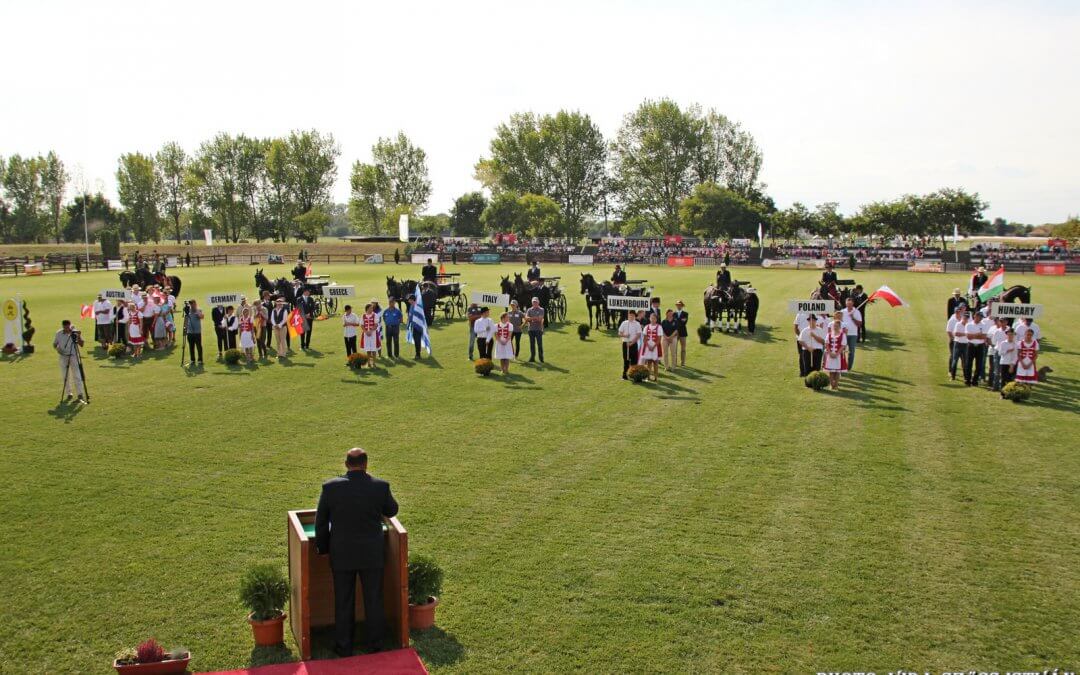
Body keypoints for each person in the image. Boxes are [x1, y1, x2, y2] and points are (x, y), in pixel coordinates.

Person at [315, 448, 399, 657]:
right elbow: (392, 510)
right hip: (372, 554)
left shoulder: (330, 488)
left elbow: (321, 522)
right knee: (373, 599)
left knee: (343, 600)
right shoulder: (380, 486)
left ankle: (344, 646)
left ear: (345, 464)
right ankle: (376, 645)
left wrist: (323, 549)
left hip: (342, 553)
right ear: (366, 464)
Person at [54, 320, 86, 403]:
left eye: (68, 327)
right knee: (65, 376)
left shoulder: (74, 333)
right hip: (63, 356)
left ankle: (80, 394)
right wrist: (57, 349)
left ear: (70, 325)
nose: (67, 329)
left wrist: (79, 336)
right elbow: (55, 344)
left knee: (77, 375)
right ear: (63, 326)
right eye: (65, 327)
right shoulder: (58, 333)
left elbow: (82, 344)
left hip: (73, 356)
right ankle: (69, 393)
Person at [822, 319, 848, 390]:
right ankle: (831, 384)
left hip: (839, 355)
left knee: (837, 371)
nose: (835, 327)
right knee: (831, 371)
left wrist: (837, 354)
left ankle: (836, 384)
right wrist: (830, 353)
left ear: (840, 327)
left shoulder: (843, 335)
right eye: (834, 326)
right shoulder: (829, 334)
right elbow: (826, 344)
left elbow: (843, 345)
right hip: (830, 354)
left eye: (836, 326)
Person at [965, 312, 987, 386]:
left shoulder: (983, 325)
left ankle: (975, 381)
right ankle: (968, 380)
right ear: (975, 316)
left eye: (981, 317)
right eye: (979, 317)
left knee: (979, 364)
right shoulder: (969, 325)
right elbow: (968, 337)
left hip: (980, 346)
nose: (980, 318)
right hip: (971, 346)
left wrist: (973, 335)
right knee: (968, 363)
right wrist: (978, 334)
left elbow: (984, 336)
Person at [638, 312, 663, 381]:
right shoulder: (646, 327)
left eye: (654, 318)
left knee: (655, 362)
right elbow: (644, 338)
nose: (653, 320)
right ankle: (648, 376)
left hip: (656, 347)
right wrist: (648, 346)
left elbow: (659, 339)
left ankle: (655, 377)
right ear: (649, 319)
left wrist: (654, 346)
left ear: (656, 319)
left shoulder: (659, 327)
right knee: (649, 362)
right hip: (648, 347)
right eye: (651, 318)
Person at [618, 310, 643, 379]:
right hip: (625, 344)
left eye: (632, 315)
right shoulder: (624, 323)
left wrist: (632, 343)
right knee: (626, 360)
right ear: (628, 315)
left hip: (634, 344)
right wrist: (625, 335)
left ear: (635, 316)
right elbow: (619, 333)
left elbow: (638, 335)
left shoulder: (637, 324)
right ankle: (624, 375)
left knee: (634, 360)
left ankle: (634, 375)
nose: (631, 317)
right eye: (630, 315)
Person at [840, 298, 862, 370]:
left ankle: (848, 368)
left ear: (853, 303)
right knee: (842, 351)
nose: (849, 305)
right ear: (846, 303)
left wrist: (852, 317)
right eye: (847, 304)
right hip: (843, 334)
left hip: (853, 335)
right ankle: (842, 366)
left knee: (851, 352)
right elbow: (838, 323)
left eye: (850, 304)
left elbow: (859, 324)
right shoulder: (842, 312)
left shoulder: (857, 312)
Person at [951, 312, 971, 382]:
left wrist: (964, 334)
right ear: (962, 318)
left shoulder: (968, 325)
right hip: (958, 344)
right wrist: (965, 334)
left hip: (965, 345)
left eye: (967, 318)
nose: (966, 319)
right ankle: (952, 376)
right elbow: (956, 334)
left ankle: (965, 377)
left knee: (965, 362)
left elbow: (969, 335)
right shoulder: (958, 324)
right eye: (965, 318)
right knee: (955, 360)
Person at [986, 317, 1004, 391]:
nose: (997, 322)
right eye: (996, 321)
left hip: (1002, 353)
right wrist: (993, 345)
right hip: (992, 351)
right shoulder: (992, 328)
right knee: (992, 368)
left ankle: (1000, 384)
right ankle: (991, 383)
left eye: (998, 321)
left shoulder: (1007, 329)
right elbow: (988, 339)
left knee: (1001, 370)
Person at [525, 297, 545, 363]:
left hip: (538, 329)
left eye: (536, 302)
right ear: (532, 303)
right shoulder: (529, 310)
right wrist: (534, 318)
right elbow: (526, 318)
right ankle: (532, 358)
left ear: (538, 302)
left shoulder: (541, 309)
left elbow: (540, 319)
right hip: (531, 330)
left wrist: (531, 319)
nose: (535, 303)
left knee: (539, 344)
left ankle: (541, 358)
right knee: (532, 344)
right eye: (534, 302)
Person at [185, 300, 205, 364]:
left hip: (197, 332)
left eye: (193, 304)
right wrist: (185, 329)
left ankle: (200, 360)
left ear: (195, 304)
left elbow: (202, 317)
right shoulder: (187, 311)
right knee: (191, 346)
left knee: (199, 346)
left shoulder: (199, 310)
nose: (192, 305)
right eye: (191, 304)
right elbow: (186, 320)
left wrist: (196, 310)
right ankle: (192, 360)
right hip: (189, 332)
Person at [946, 307, 964, 375]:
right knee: (953, 356)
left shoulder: (963, 319)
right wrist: (953, 339)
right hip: (953, 341)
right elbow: (948, 331)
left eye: (959, 311)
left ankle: (964, 371)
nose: (958, 312)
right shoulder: (952, 320)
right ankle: (950, 371)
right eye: (957, 311)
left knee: (963, 357)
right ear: (955, 312)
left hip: (962, 341)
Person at [794, 309, 812, 376]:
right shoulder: (799, 314)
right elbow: (795, 327)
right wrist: (801, 337)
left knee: (810, 355)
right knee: (802, 355)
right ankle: (802, 372)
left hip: (811, 339)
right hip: (800, 339)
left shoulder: (814, 314)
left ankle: (808, 371)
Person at [672, 300, 689, 366]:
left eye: (680, 305)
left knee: (683, 348)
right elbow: (674, 323)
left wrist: (677, 320)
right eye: (677, 305)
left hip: (683, 332)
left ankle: (683, 362)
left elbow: (684, 322)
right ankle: (675, 362)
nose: (678, 306)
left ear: (682, 306)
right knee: (674, 348)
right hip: (675, 333)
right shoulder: (673, 313)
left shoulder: (686, 313)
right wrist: (680, 320)